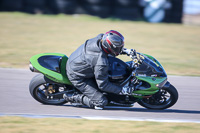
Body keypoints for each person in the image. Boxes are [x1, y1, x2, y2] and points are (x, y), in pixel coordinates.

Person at [64, 30, 133, 110]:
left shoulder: (100, 38)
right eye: (119, 48)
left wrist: (125, 51)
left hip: (77, 61)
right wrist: (121, 90)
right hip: (77, 76)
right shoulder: (101, 62)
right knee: (101, 102)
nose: (120, 49)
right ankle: (71, 96)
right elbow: (103, 85)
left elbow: (110, 47)